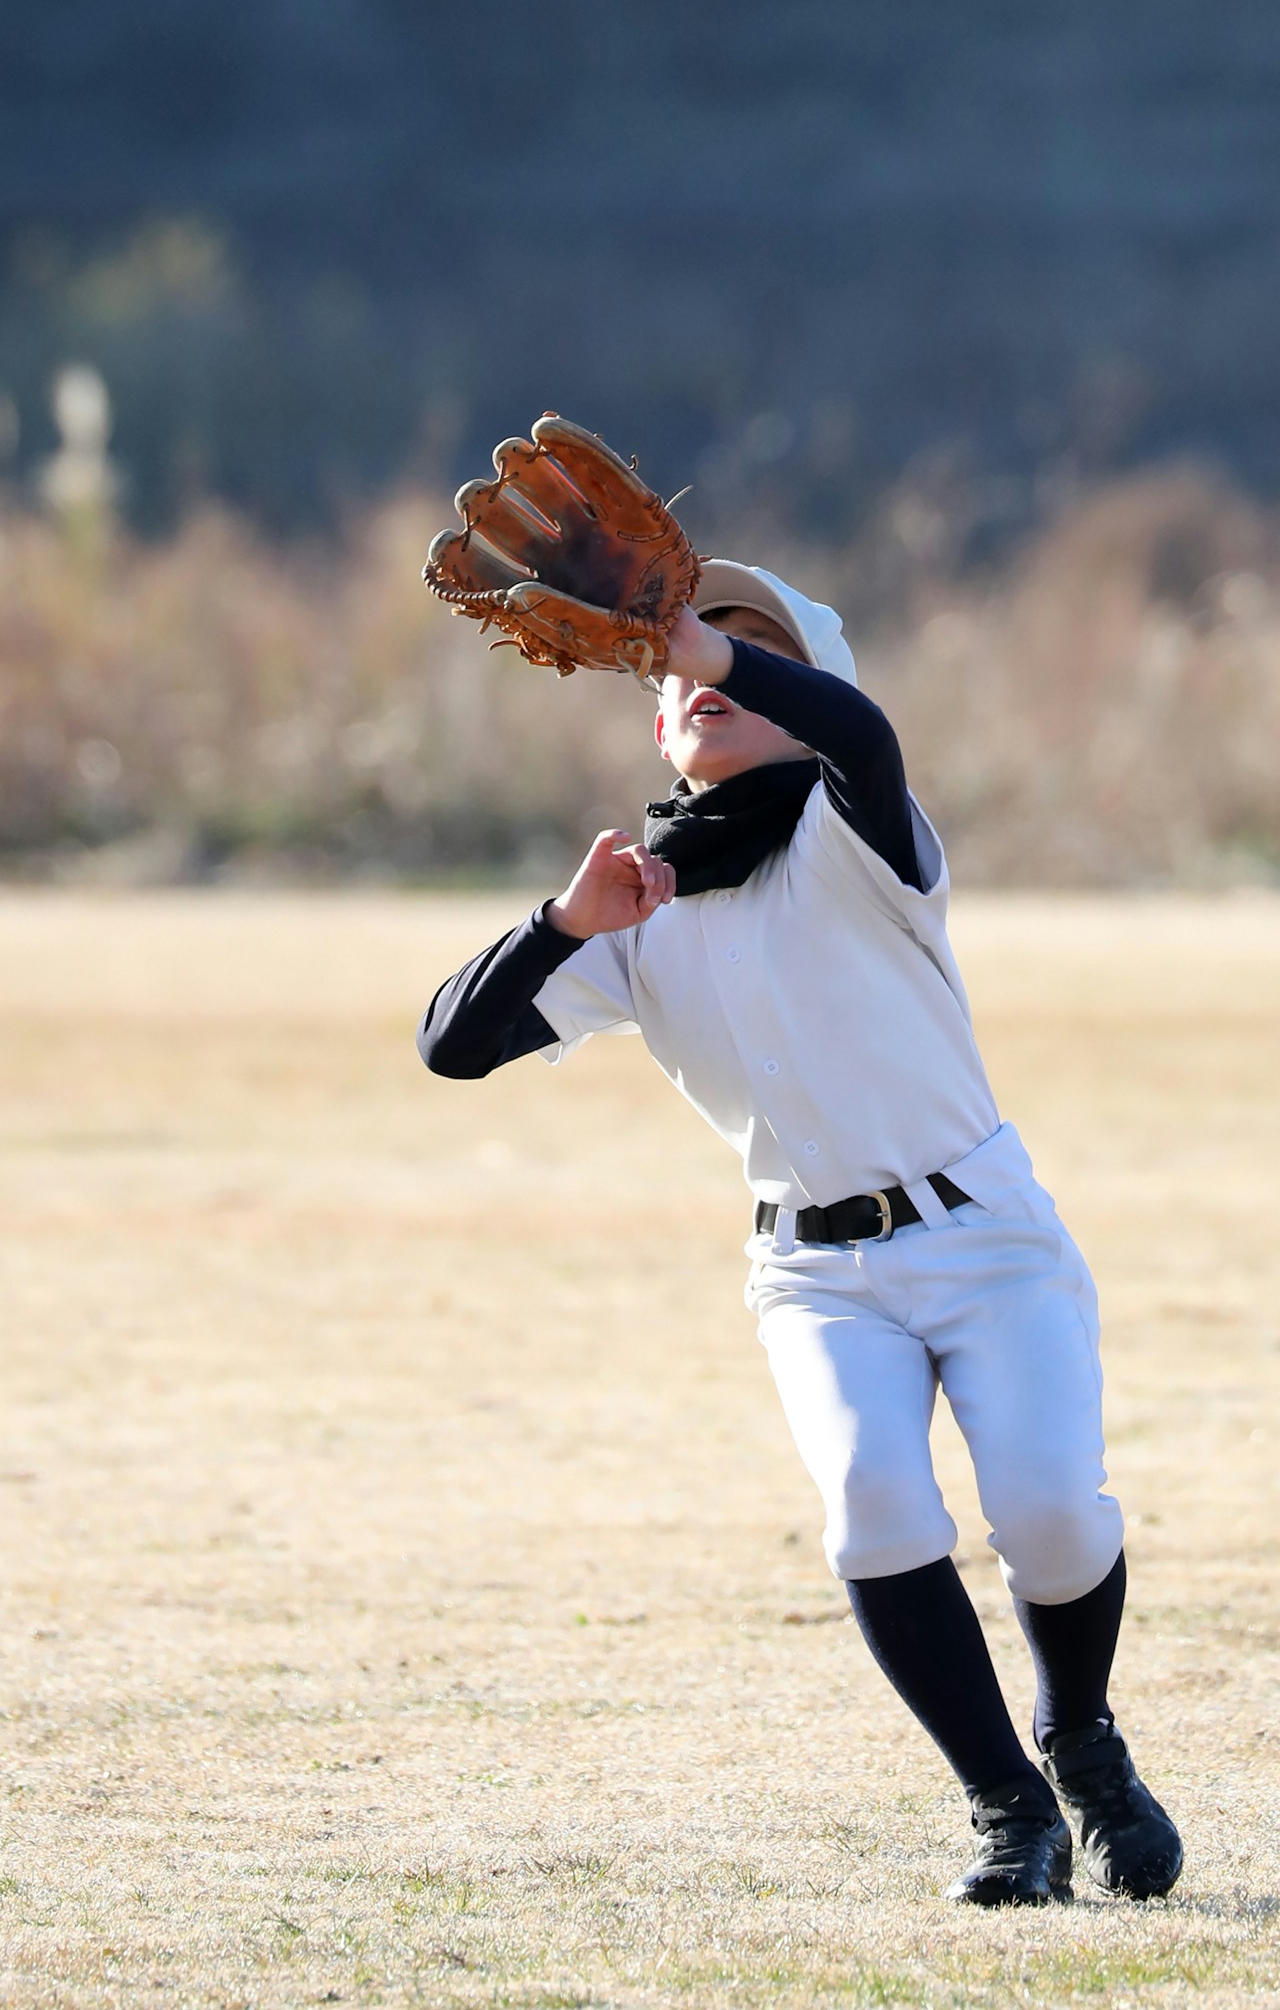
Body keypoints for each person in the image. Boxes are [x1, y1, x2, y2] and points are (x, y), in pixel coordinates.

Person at [417, 561, 1182, 1907]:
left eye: (742, 654)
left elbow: (865, 738)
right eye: (678, 673)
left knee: (1054, 1515)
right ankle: (1012, 1810)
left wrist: (707, 647)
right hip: (815, 1273)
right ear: (661, 728)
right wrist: (556, 928)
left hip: (984, 1237)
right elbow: (450, 1047)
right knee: (877, 1508)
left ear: (803, 688)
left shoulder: (862, 836)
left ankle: (1082, 1738)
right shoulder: (639, 902)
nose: (700, 671)